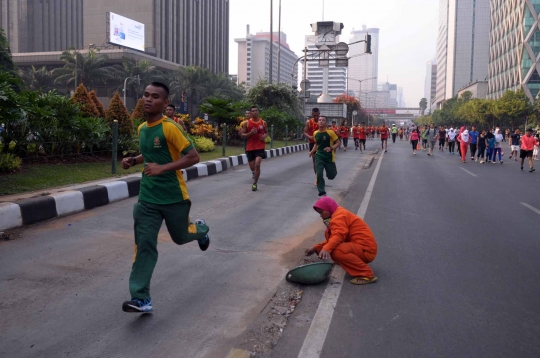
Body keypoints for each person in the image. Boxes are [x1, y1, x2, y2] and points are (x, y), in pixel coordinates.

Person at [121, 82, 210, 313]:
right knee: (144, 244)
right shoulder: (142, 128)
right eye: (146, 95)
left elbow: (193, 157)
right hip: (147, 198)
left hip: (173, 197)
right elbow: (149, 153)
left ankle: (200, 229)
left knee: (181, 237)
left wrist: (163, 168)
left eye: (155, 96)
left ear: (165, 103)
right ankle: (141, 298)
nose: (149, 99)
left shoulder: (170, 127)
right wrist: (134, 160)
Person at [305, 197, 378, 285]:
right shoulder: (337, 213)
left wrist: (326, 249)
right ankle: (345, 261)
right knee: (333, 247)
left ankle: (367, 275)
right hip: (362, 248)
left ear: (328, 208)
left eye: (321, 212)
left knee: (336, 251)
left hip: (367, 251)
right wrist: (316, 248)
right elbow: (333, 238)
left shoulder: (339, 216)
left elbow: (338, 236)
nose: (320, 215)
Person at [309, 117, 341, 197]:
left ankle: (331, 173)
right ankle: (322, 192)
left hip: (329, 157)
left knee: (331, 176)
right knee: (319, 173)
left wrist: (331, 148)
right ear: (317, 122)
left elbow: (338, 142)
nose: (321, 121)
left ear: (326, 123)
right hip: (319, 156)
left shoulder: (330, 132)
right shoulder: (315, 133)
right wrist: (312, 152)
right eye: (319, 120)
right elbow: (316, 144)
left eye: (323, 120)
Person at [240, 106, 268, 191]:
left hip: (260, 146)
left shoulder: (263, 123)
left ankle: (255, 183)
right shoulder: (246, 123)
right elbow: (242, 135)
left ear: (258, 112)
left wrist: (264, 136)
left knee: (257, 164)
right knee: (253, 167)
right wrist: (250, 133)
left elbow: (267, 132)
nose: (255, 112)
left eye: (256, 111)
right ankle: (254, 173)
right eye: (253, 111)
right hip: (250, 147)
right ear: (250, 113)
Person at [304, 108, 320, 185]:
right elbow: (304, 132)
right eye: (314, 115)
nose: (316, 117)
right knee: (315, 161)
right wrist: (309, 136)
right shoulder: (309, 122)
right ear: (312, 114)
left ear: (319, 114)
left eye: (317, 115)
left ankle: (320, 175)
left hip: (321, 144)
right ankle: (317, 177)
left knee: (320, 161)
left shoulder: (322, 122)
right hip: (312, 143)